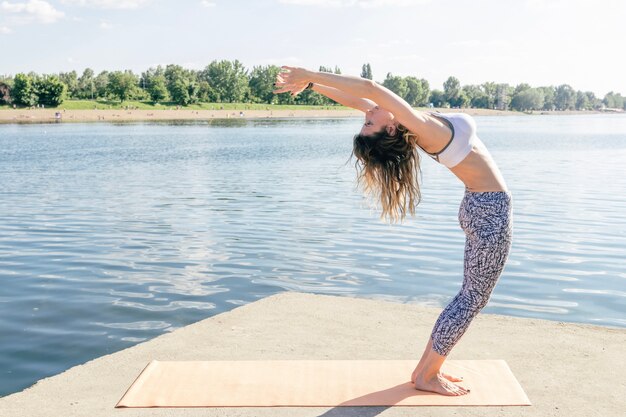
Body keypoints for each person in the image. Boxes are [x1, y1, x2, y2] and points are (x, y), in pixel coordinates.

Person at [274, 67, 513, 396]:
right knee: (472, 299)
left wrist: (313, 83)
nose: (368, 112)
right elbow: (370, 87)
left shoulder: (408, 123)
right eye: (369, 122)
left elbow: (358, 99)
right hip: (490, 212)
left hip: (479, 206)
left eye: (367, 118)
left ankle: (425, 370)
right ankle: (427, 374)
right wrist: (306, 72)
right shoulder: (420, 125)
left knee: (470, 296)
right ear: (389, 128)